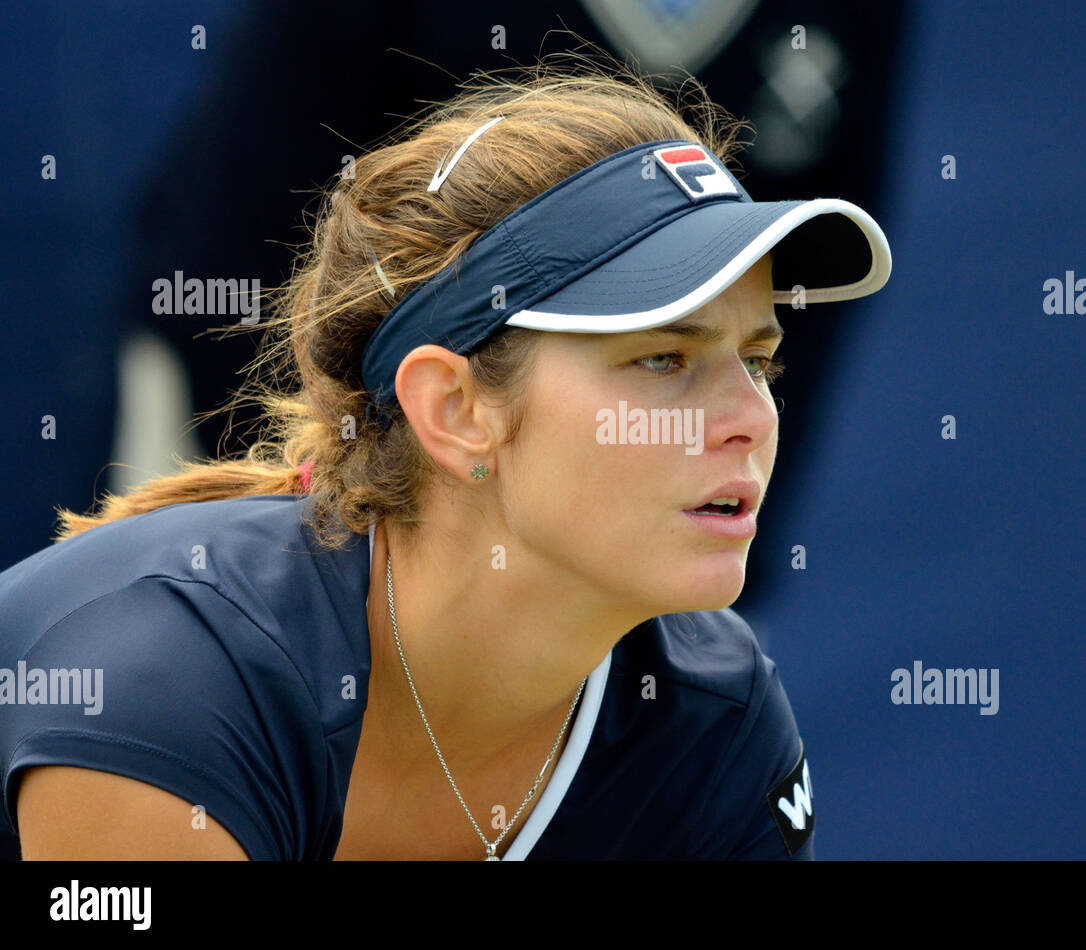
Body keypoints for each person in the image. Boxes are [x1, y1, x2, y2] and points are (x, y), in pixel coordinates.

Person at [0, 56, 890, 860]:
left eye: (760, 360)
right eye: (663, 358)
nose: (751, 417)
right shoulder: (169, 686)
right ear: (456, 411)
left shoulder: (714, 715)